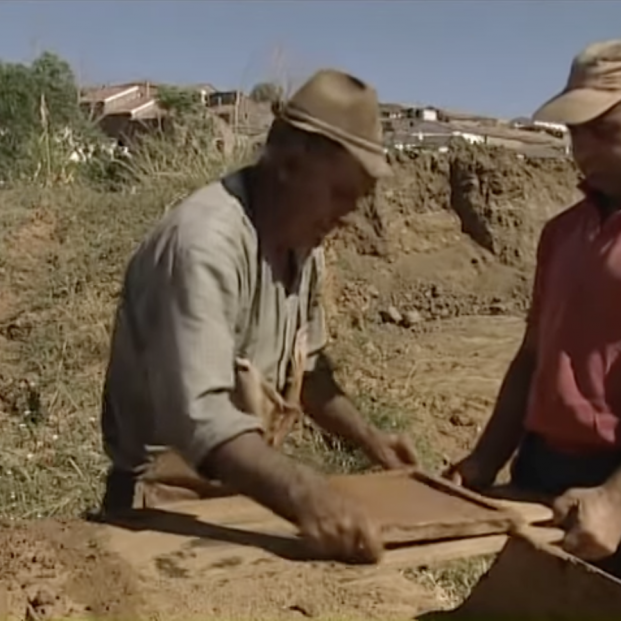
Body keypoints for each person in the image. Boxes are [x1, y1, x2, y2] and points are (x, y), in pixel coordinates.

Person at [96, 69, 418, 564]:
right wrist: (307, 494)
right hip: (158, 512)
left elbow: (308, 372)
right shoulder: (204, 246)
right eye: (340, 192)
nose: (349, 213)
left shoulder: (303, 246)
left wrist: (371, 440)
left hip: (236, 503)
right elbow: (199, 417)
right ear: (289, 162)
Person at [445, 39, 621, 575]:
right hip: (543, 468)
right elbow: (532, 359)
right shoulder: (562, 234)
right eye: (574, 132)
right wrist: (484, 462)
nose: (581, 149)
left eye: (602, 131)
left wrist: (615, 500)